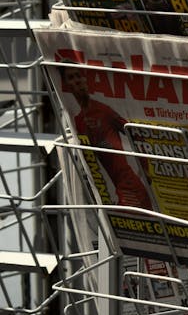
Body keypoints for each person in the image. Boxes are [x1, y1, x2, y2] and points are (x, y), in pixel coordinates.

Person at [60, 67, 153, 209]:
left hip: (129, 185)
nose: (77, 81)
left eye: (79, 76)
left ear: (86, 79)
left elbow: (135, 133)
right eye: (71, 78)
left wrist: (145, 168)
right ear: (66, 85)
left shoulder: (103, 110)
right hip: (110, 189)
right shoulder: (78, 120)